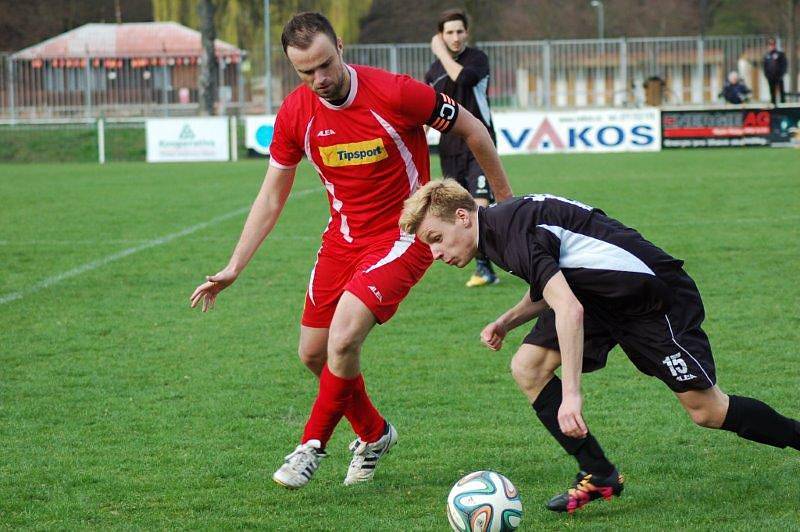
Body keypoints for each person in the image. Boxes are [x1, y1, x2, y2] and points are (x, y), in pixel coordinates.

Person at [189, 13, 512, 490]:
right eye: (305, 72)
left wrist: (507, 206)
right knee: (314, 354)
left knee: (343, 339)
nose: (318, 79)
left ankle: (310, 445)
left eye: (324, 64)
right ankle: (374, 433)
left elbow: (474, 131)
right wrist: (235, 265)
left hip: (405, 236)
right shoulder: (296, 113)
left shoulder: (397, 92)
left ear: (340, 46)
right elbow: (272, 194)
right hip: (342, 239)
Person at [399, 180, 800, 513]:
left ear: (463, 217)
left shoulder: (511, 230)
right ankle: (598, 472)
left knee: (707, 411)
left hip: (651, 298)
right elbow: (555, 286)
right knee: (528, 366)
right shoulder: (498, 230)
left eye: (436, 238)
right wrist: (507, 321)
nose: (435, 253)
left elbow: (567, 309)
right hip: (600, 299)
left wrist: (572, 395)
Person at [425, 9, 499, 288]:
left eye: (459, 31)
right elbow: (428, 109)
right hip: (449, 149)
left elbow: (463, 80)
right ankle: (487, 265)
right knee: (460, 211)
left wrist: (440, 53)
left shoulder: (477, 59)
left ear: (467, 32)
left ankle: (485, 267)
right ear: (442, 35)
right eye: (449, 33)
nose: (455, 37)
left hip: (480, 144)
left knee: (480, 205)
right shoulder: (433, 72)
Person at [762, 38, 787, 106]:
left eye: (773, 44)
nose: (771, 46)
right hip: (770, 76)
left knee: (781, 90)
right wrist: (766, 74)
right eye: (770, 44)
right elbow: (764, 66)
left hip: (778, 75)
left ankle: (783, 103)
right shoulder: (767, 55)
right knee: (772, 91)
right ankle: (773, 103)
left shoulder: (780, 54)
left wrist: (782, 73)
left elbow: (784, 64)